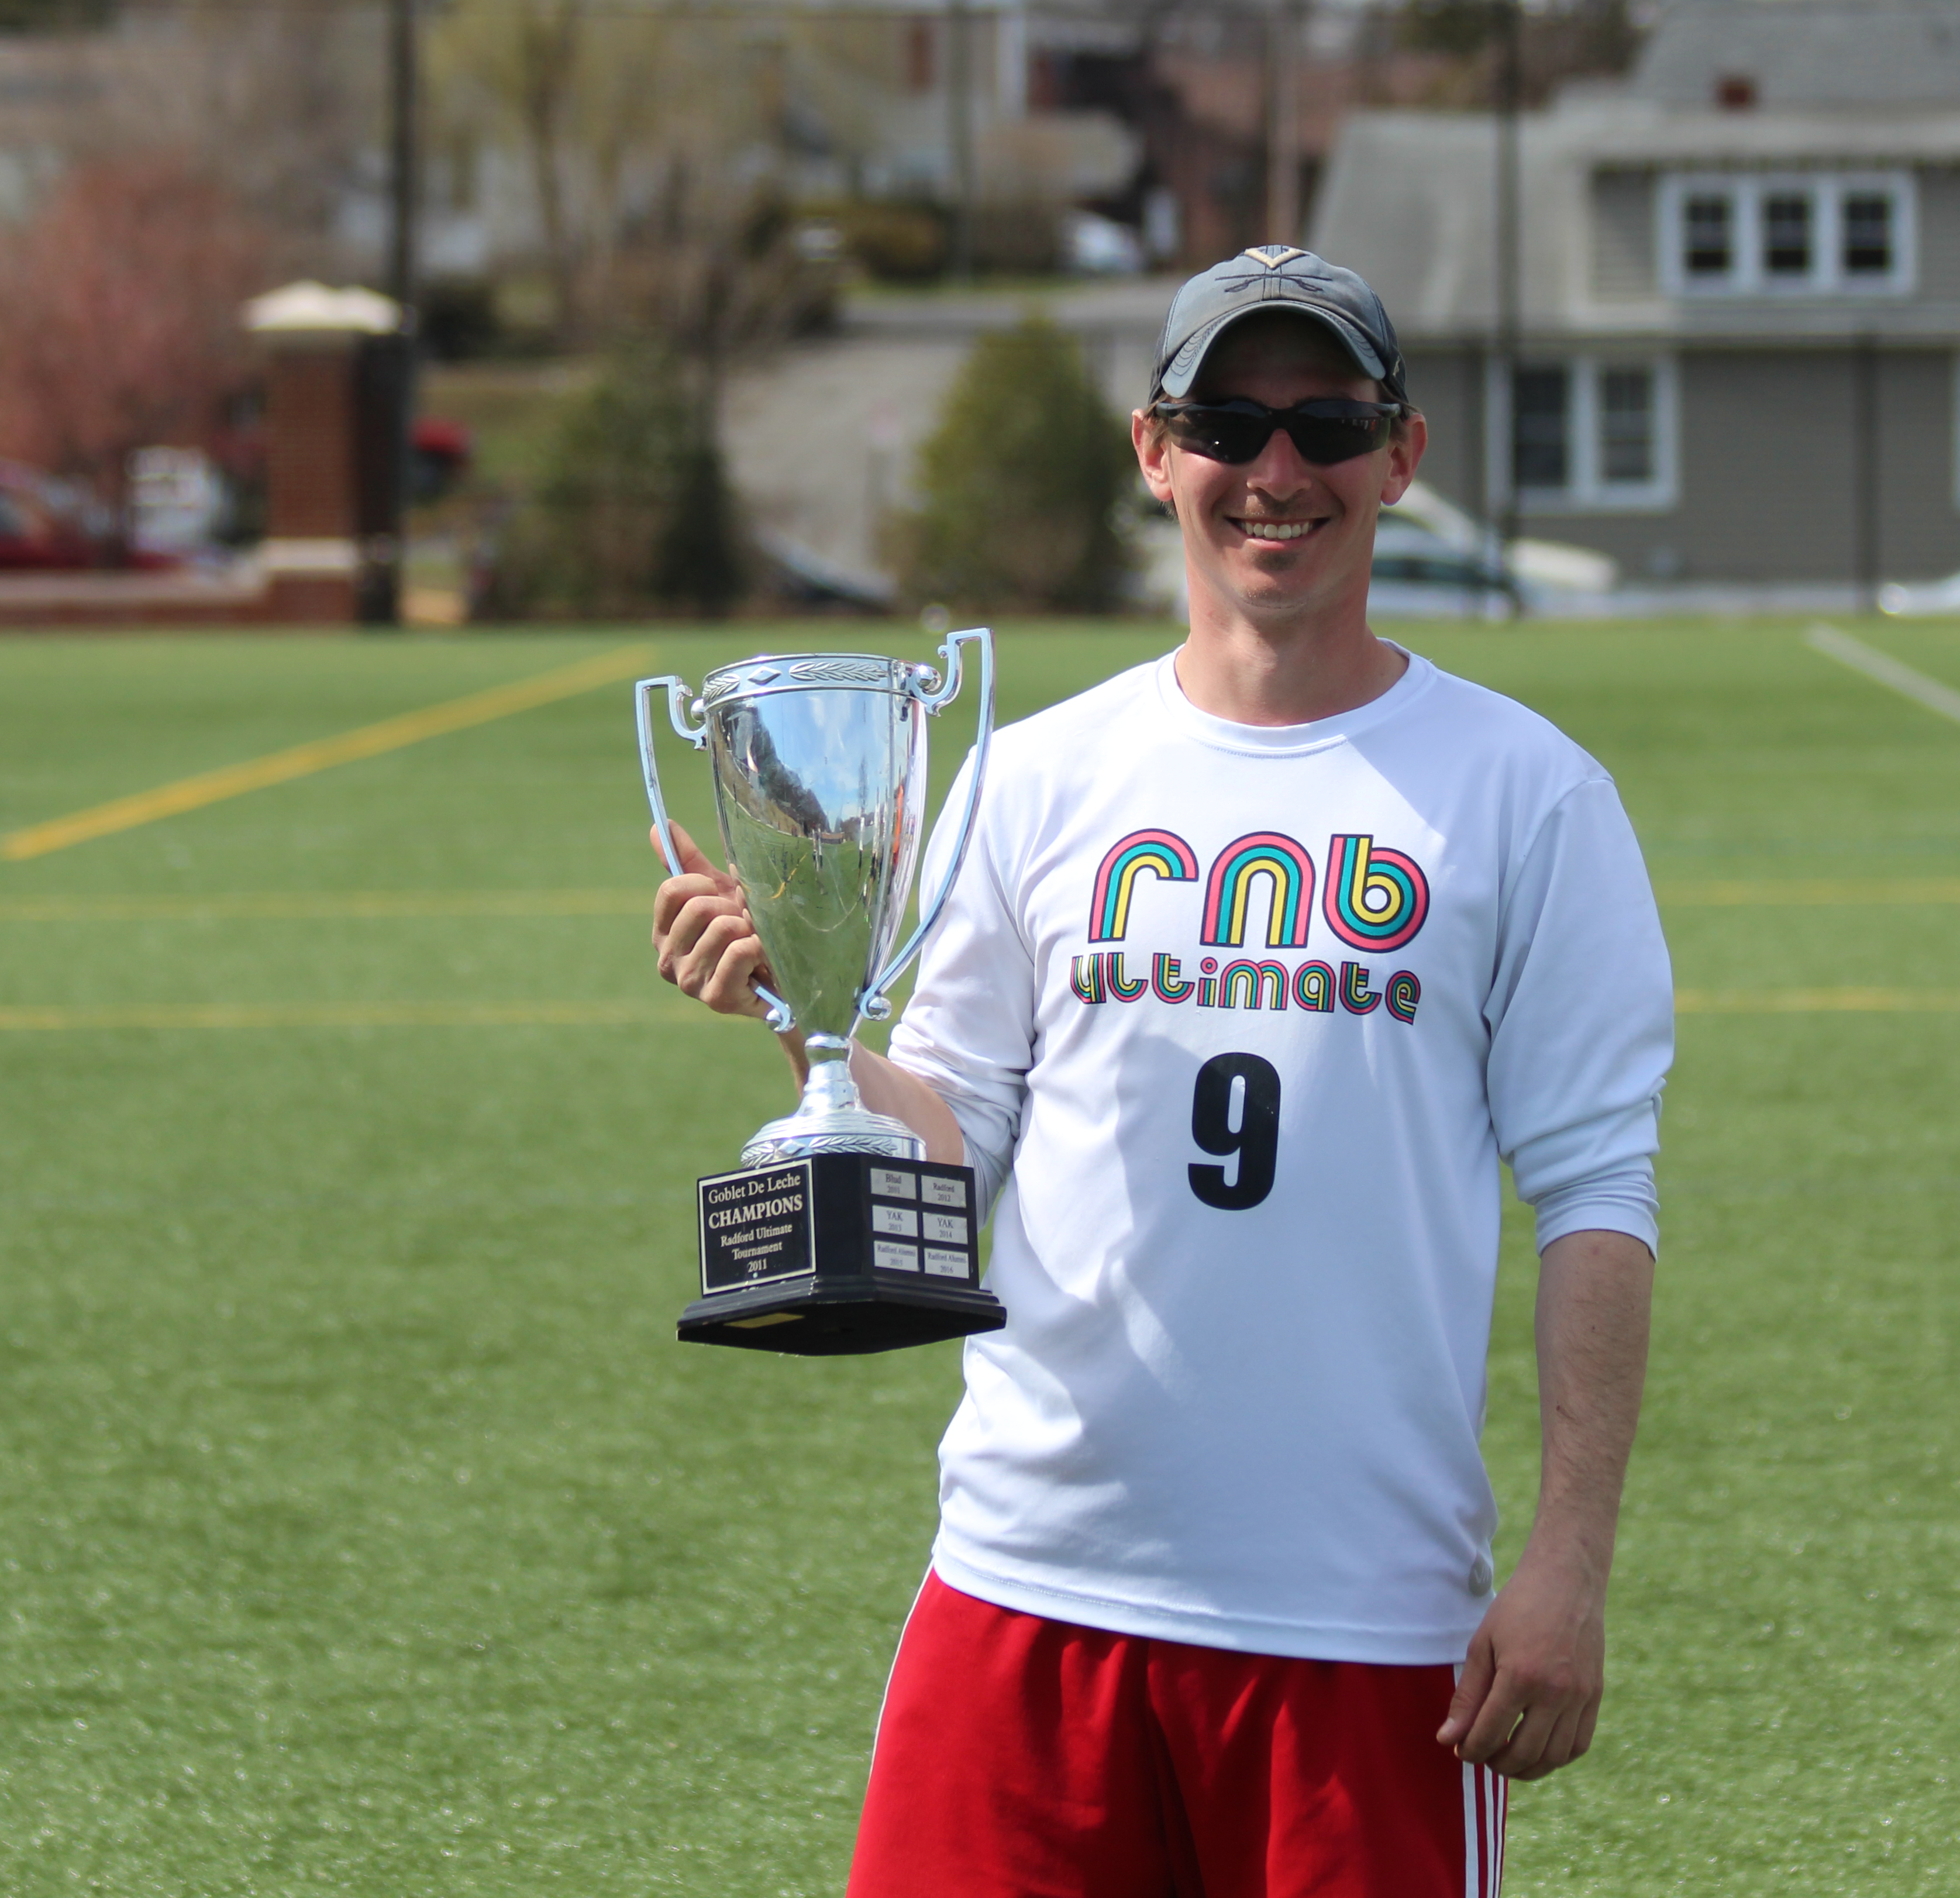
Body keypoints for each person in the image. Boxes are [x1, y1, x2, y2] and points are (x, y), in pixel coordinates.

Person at [653, 246, 1675, 1896]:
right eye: (1227, 424)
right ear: (1155, 451)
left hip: (1362, 1626)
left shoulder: (1527, 793)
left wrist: (1572, 1561)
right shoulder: (1036, 776)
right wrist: (805, 1017)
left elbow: (1598, 1196)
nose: (1278, 471)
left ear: (1401, 458)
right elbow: (954, 1151)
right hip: (1028, 1592)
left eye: (1329, 425)